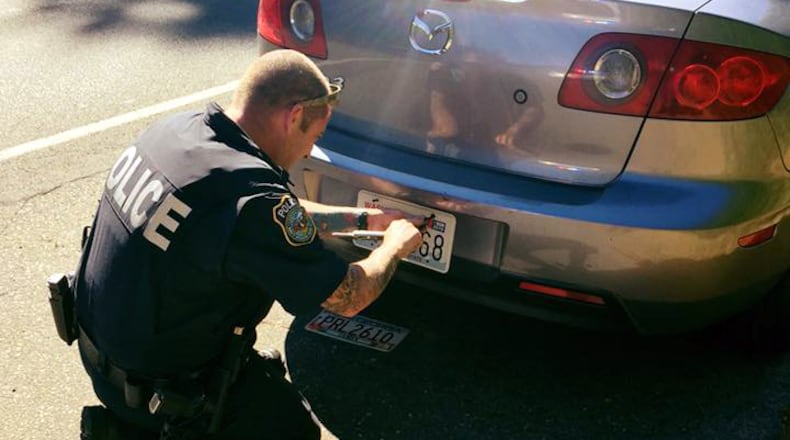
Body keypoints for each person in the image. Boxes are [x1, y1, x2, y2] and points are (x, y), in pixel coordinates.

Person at [73, 49, 423, 439]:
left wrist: (359, 219)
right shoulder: (253, 200)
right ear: (293, 118)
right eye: (314, 136)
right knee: (294, 428)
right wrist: (394, 245)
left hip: (101, 358)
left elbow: (259, 215)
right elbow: (348, 296)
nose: (309, 152)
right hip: (162, 394)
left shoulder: (180, 133)